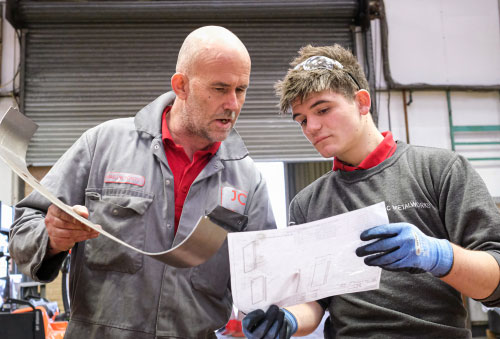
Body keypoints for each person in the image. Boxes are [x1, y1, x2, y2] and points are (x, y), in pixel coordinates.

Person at [9, 26, 277, 338]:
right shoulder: (103, 145)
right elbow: (22, 232)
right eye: (220, 89)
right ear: (182, 86)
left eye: (241, 89)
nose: (233, 104)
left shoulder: (248, 180)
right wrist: (53, 237)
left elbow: (265, 281)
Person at [242, 44, 500, 338]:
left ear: (362, 102)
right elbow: (315, 302)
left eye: (323, 109)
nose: (311, 127)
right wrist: (286, 320)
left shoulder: (440, 170)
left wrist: (435, 254)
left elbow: (495, 282)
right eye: (301, 120)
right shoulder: (307, 204)